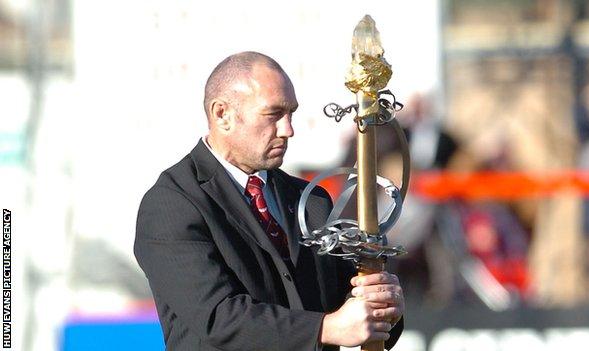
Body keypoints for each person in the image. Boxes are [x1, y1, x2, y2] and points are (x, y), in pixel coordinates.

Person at [134, 51, 404, 350]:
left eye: (291, 113)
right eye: (273, 114)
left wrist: (384, 306)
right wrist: (325, 328)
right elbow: (218, 318)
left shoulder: (311, 200)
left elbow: (351, 309)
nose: (288, 129)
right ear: (222, 114)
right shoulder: (173, 203)